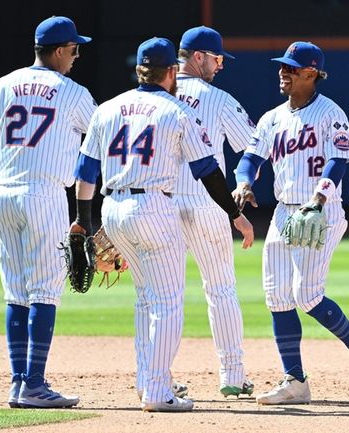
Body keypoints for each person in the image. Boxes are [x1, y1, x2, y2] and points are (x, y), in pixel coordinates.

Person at [70, 37, 255, 412]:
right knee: (175, 301)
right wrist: (235, 213)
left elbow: (85, 171)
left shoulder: (107, 108)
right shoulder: (177, 110)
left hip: (114, 207)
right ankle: (169, 387)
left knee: (145, 297)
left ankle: (147, 379)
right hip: (159, 206)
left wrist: (81, 223)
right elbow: (208, 170)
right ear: (173, 70)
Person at [233, 41, 349, 405]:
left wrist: (318, 200)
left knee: (307, 295)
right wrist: (244, 182)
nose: (284, 72)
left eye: (292, 68)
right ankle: (294, 381)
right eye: (282, 67)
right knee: (277, 296)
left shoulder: (332, 113)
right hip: (284, 212)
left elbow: (338, 162)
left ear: (312, 74)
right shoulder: (272, 118)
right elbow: (250, 157)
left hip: (321, 210)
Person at [0, 16, 96, 408]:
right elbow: (99, 144)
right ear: (59, 50)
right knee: (45, 292)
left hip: (4, 194)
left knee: (16, 293)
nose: (76, 56)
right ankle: (35, 384)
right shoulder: (73, 93)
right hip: (43, 195)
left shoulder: (2, 84)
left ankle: (18, 382)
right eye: (74, 49)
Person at [142, 25, 254, 398]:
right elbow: (253, 146)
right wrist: (242, 183)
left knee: (156, 296)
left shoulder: (149, 99)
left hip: (157, 206)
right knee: (220, 289)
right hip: (207, 203)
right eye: (218, 57)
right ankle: (233, 376)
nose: (222, 65)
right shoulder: (218, 99)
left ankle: (152, 377)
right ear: (199, 57)